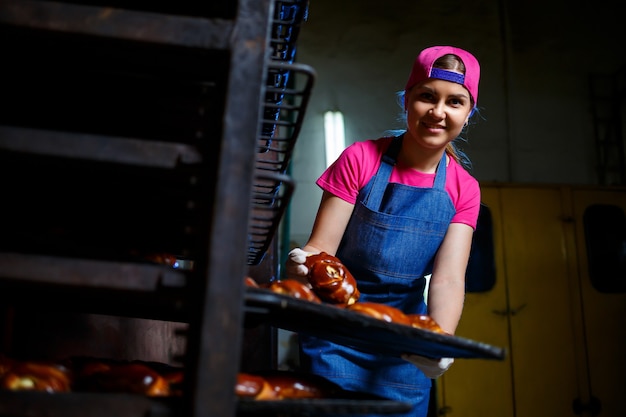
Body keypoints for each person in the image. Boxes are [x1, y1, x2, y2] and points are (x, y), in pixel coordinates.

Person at [285, 45, 482, 416]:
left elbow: (448, 280)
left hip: (403, 342)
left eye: (455, 102)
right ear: (407, 100)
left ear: (468, 114)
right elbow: (320, 249)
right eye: (427, 96)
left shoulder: (463, 188)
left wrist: (438, 340)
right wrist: (303, 265)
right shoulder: (361, 159)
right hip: (336, 331)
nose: (438, 112)